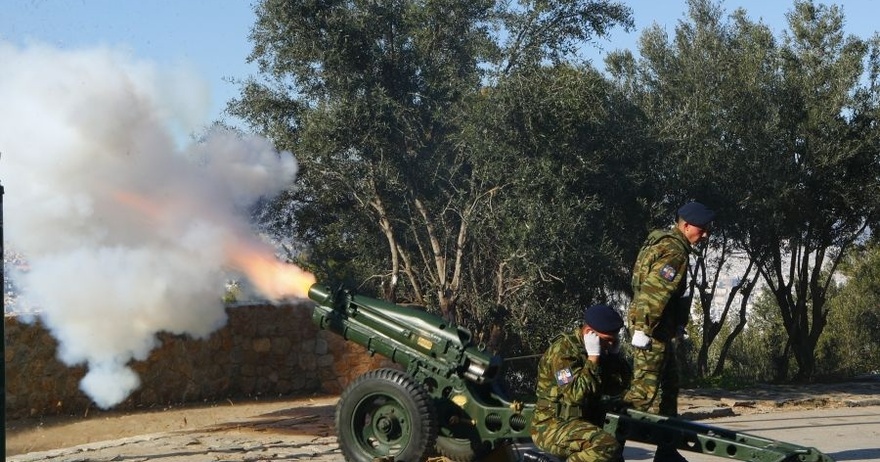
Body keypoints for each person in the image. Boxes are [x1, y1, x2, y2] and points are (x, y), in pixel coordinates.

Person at [623, 201, 715, 462]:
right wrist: (643, 328)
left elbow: (640, 281)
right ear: (686, 226)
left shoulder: (660, 240)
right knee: (642, 396)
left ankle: (666, 450)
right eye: (702, 229)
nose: (705, 235)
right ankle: (609, 450)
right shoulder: (675, 252)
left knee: (670, 387)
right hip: (652, 332)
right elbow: (654, 293)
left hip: (659, 329)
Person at [531, 304, 632, 462]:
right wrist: (592, 359)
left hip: (583, 422)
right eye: (607, 340)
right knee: (605, 446)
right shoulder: (562, 353)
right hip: (552, 425)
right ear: (589, 333)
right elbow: (575, 395)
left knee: (614, 455)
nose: (610, 345)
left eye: (614, 341)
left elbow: (617, 387)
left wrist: (614, 358)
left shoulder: (598, 351)